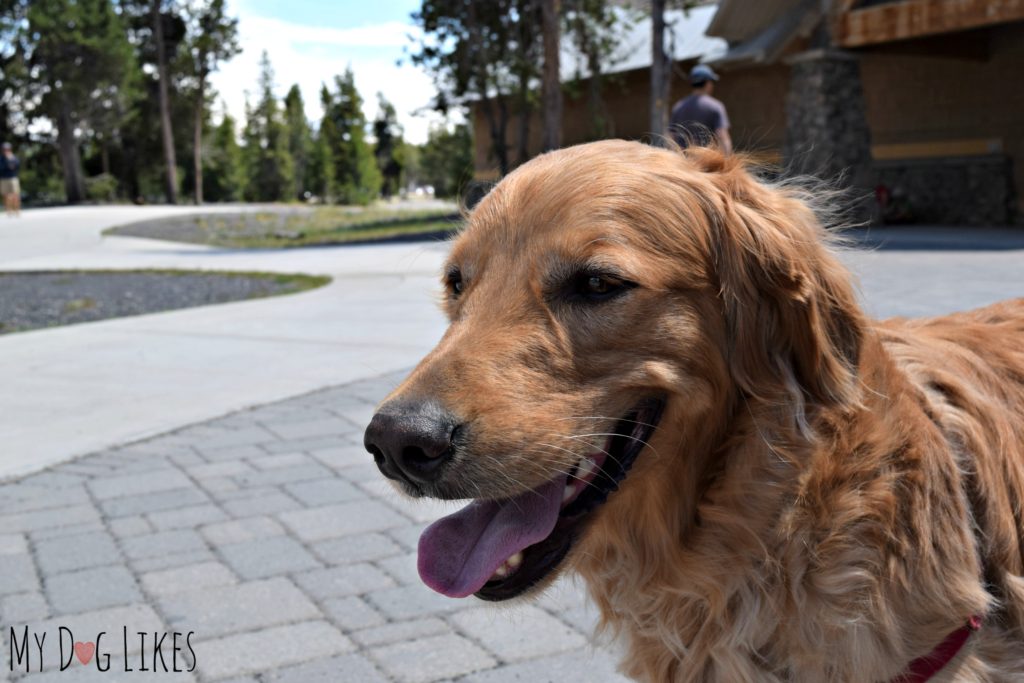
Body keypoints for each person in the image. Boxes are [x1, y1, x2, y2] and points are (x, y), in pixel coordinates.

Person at [669, 64, 733, 155]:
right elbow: (723, 138)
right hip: (706, 164)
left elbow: (671, 138)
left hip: (682, 164)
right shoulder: (715, 106)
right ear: (708, 83)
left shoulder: (678, 107)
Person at [1, 142, 21, 217]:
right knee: (6, 196)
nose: (6, 150)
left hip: (13, 178)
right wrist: (7, 162)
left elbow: (17, 165)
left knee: (15, 195)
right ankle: (9, 210)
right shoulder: (1, 159)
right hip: (4, 178)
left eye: (7, 149)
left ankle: (17, 210)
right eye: (5, 149)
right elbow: (2, 168)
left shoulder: (14, 157)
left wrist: (11, 160)